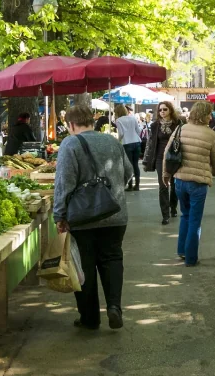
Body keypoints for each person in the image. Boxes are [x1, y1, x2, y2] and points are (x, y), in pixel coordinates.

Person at [53, 104, 133, 331]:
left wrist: (59, 214)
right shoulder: (112, 141)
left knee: (84, 266)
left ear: (70, 124)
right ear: (92, 120)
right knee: (112, 259)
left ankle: (90, 318)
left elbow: (64, 182)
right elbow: (128, 172)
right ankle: (115, 307)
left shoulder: (70, 144)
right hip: (115, 213)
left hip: (83, 217)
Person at [163, 101, 215, 267]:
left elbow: (168, 152)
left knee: (185, 216)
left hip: (180, 181)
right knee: (195, 220)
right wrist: (214, 172)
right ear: (204, 115)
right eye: (209, 114)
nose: (211, 117)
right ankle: (191, 258)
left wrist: (166, 175)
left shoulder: (181, 129)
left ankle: (182, 251)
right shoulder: (210, 134)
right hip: (198, 183)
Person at [142, 101, 183, 225]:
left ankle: (173, 207)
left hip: (175, 158)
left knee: (175, 185)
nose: (162, 112)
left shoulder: (178, 124)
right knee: (163, 185)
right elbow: (150, 143)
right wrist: (146, 160)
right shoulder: (155, 125)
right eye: (160, 110)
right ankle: (165, 215)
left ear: (170, 110)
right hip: (160, 158)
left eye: (165, 109)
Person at [114, 104, 142, 191]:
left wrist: (118, 141)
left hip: (127, 143)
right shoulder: (132, 118)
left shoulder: (118, 120)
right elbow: (138, 130)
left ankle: (130, 185)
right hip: (136, 142)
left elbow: (121, 133)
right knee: (135, 164)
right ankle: (137, 185)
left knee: (128, 165)